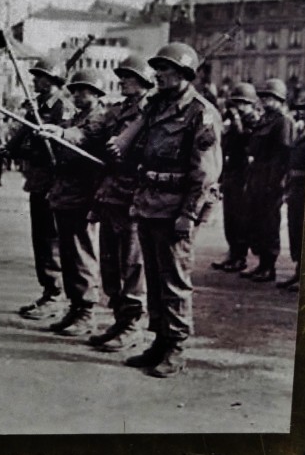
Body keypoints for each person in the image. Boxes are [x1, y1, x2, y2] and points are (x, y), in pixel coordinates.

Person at [125, 43, 222, 378]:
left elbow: (205, 172)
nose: (158, 75)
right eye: (158, 69)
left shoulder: (200, 113)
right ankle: (160, 341)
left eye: (165, 69)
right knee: (154, 278)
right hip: (150, 203)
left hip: (176, 209)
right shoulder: (156, 108)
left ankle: (177, 347)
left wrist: (189, 215)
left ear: (184, 73)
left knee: (175, 280)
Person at [87, 55, 154, 353]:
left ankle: (132, 326)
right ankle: (118, 319)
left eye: (129, 76)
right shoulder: (118, 111)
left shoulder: (152, 112)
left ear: (144, 81)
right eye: (122, 75)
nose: (122, 80)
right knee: (111, 262)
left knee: (132, 263)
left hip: (134, 197)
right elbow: (92, 131)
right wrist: (63, 132)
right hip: (111, 193)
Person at [41, 70, 107, 337]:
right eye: (76, 91)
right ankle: (75, 306)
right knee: (68, 254)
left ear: (97, 94)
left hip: (84, 194)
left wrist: (62, 133)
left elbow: (85, 135)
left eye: (85, 91)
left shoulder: (99, 118)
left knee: (82, 254)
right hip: (65, 192)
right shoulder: (76, 116)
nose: (78, 95)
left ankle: (87, 311)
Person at [4, 59, 68, 319]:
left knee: (52, 239)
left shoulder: (63, 107)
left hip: (55, 180)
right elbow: (24, 138)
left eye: (40, 76)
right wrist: (11, 149)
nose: (34, 80)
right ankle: (48, 291)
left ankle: (57, 295)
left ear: (53, 80)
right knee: (40, 238)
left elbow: (64, 144)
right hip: (38, 179)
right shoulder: (38, 108)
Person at [241, 79, 295, 283]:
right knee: (256, 221)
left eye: (269, 97)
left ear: (279, 99)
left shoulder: (283, 121)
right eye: (263, 97)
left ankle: (269, 266)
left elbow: (284, 154)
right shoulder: (266, 120)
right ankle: (261, 264)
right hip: (258, 175)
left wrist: (277, 183)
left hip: (272, 178)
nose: (265, 101)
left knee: (269, 223)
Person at [211, 83, 260, 273]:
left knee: (240, 217)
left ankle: (240, 256)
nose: (238, 107)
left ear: (250, 104)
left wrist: (237, 119)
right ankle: (232, 253)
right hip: (231, 173)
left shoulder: (253, 120)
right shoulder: (232, 121)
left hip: (244, 174)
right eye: (236, 103)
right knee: (229, 217)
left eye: (242, 103)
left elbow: (245, 140)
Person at [279, 88, 305, 291]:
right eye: (304, 110)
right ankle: (298, 271)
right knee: (296, 229)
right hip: (297, 187)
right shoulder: (304, 130)